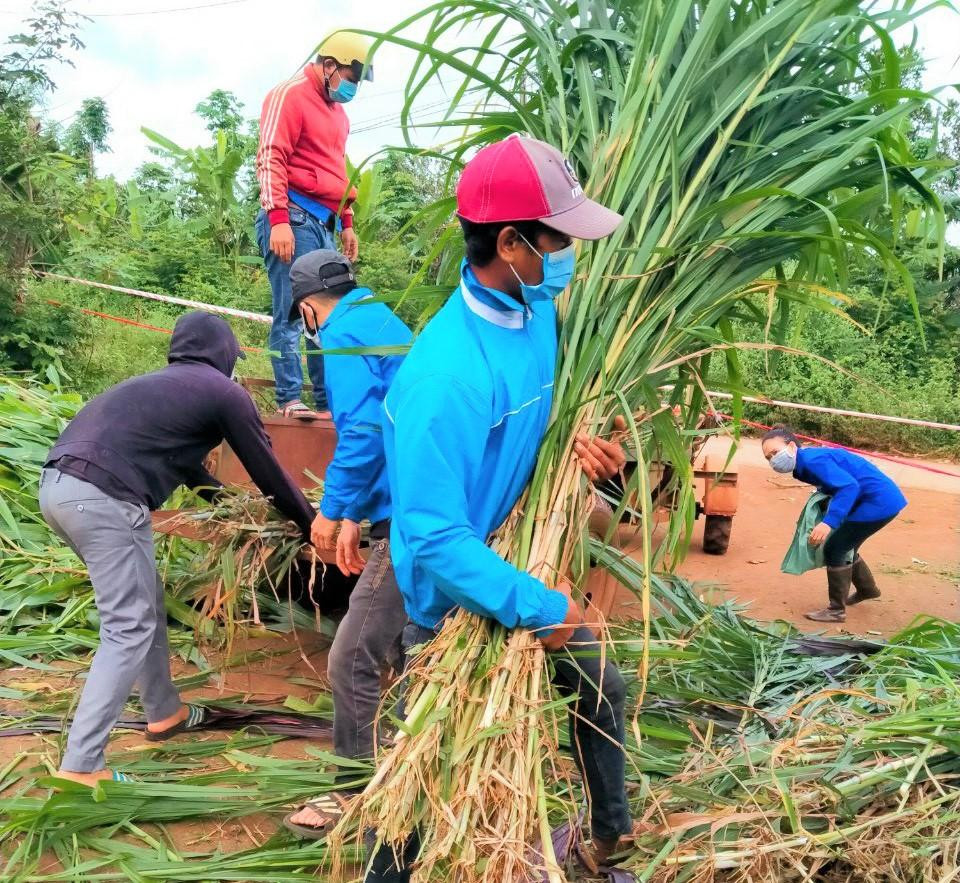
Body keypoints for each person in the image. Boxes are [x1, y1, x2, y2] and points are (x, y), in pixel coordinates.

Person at [368, 133, 634, 881]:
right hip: (452, 600)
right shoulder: (446, 375)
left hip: (521, 550)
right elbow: (434, 539)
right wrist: (542, 606)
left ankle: (609, 838)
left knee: (600, 685)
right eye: (559, 240)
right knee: (425, 774)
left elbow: (537, 413)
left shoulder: (534, 310)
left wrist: (580, 441)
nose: (570, 256)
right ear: (511, 243)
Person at [39, 312, 318, 786]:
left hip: (58, 490)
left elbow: (191, 471)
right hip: (104, 499)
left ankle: (164, 712)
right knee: (128, 626)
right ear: (224, 353)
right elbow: (267, 470)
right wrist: (310, 524)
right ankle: (81, 767)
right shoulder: (224, 392)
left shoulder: (156, 387)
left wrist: (238, 511)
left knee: (144, 606)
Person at [277, 251, 412, 839]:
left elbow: (361, 429)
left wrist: (331, 510)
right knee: (410, 648)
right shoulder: (385, 319)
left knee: (352, 655)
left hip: (410, 520)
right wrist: (358, 511)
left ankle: (352, 794)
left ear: (308, 308)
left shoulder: (343, 332)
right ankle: (408, 772)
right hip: (417, 501)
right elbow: (391, 423)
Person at [255, 31, 374, 420]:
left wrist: (347, 221)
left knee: (326, 315)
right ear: (329, 66)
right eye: (351, 78)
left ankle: (326, 405)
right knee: (293, 312)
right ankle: (290, 399)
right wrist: (278, 219)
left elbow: (336, 171)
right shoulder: (289, 94)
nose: (353, 88)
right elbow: (271, 156)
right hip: (292, 215)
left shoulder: (339, 116)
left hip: (324, 222)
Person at [761, 424, 907, 623]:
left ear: (792, 447)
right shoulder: (805, 460)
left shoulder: (812, 461)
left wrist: (828, 522)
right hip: (880, 500)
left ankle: (836, 610)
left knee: (835, 549)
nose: (773, 460)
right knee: (846, 546)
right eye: (768, 457)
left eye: (775, 452)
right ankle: (867, 589)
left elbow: (848, 486)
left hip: (878, 503)